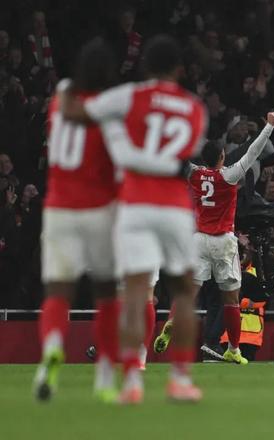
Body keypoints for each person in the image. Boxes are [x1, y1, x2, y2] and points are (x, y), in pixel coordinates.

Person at [60, 35, 208, 403]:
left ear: (145, 66)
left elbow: (75, 112)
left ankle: (131, 381)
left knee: (135, 292)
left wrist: (76, 85)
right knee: (183, 294)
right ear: (180, 70)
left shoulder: (129, 96)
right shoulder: (194, 109)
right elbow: (182, 157)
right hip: (174, 207)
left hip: (136, 205)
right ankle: (180, 379)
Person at [152, 112, 274, 365]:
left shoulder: (194, 173)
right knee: (231, 298)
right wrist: (269, 127)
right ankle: (233, 349)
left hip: (198, 240)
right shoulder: (229, 175)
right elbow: (252, 152)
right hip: (223, 241)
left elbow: (175, 157)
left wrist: (161, 129)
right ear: (222, 156)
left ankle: (174, 319)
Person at [33, 39, 120, 403]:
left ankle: (53, 347)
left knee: (57, 292)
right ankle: (105, 376)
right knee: (107, 296)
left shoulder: (60, 102)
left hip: (58, 209)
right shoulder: (105, 113)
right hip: (96, 211)